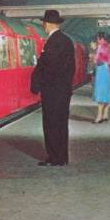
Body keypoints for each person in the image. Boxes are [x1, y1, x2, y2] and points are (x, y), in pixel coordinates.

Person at [30, 10, 76, 166]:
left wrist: (38, 83)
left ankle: (55, 158)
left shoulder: (54, 41)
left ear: (47, 24)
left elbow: (48, 66)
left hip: (53, 92)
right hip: (62, 91)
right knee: (61, 125)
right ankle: (61, 157)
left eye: (44, 23)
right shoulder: (66, 40)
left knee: (51, 124)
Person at [93, 32, 110, 123]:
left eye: (98, 39)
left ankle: (99, 117)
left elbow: (96, 60)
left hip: (101, 70)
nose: (97, 41)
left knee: (100, 93)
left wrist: (94, 58)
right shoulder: (108, 48)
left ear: (102, 39)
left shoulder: (100, 47)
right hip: (107, 71)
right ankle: (105, 115)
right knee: (106, 93)